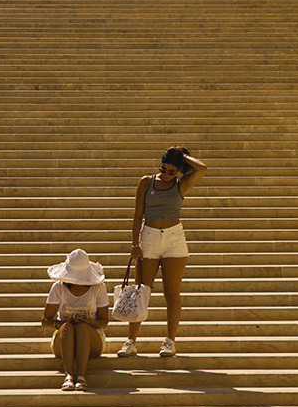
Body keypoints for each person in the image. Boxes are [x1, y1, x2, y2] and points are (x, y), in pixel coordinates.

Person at [118, 145, 207, 358]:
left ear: (178, 171)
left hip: (174, 238)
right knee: (141, 289)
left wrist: (183, 156)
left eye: (171, 171)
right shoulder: (146, 182)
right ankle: (131, 341)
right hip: (148, 235)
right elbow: (137, 214)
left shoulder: (181, 184)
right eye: (164, 168)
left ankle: (169, 342)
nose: (166, 175)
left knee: (172, 292)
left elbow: (202, 169)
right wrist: (134, 243)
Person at [41, 249, 109, 391]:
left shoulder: (98, 288)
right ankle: (68, 375)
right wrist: (62, 324)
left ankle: (82, 376)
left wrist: (87, 321)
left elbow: (103, 321)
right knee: (68, 328)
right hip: (64, 336)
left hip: (92, 338)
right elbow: (46, 320)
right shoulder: (59, 288)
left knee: (82, 328)